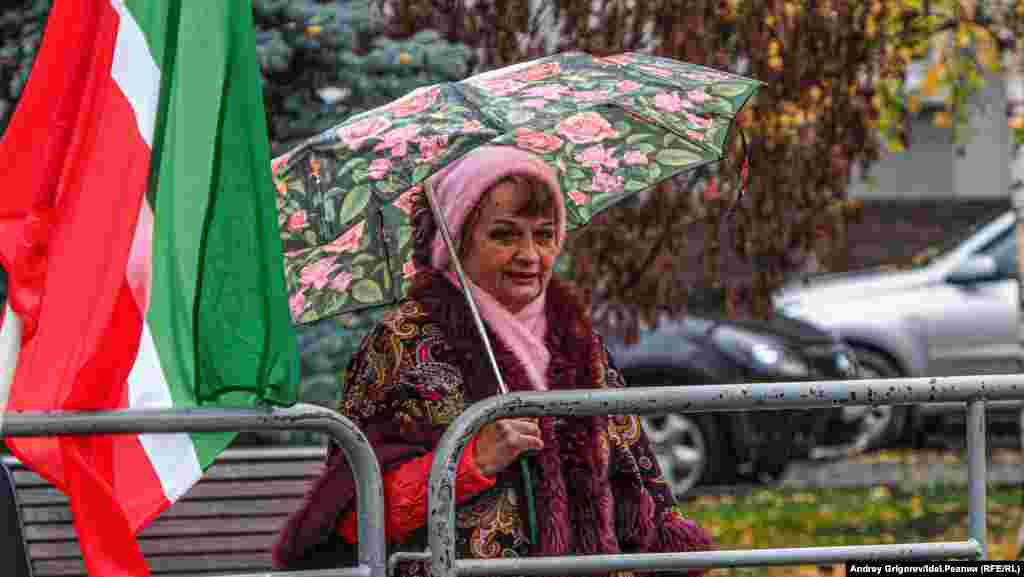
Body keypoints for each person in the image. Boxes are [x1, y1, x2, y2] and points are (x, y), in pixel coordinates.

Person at [273, 146, 715, 574]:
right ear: (457, 240)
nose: (529, 255)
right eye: (504, 235)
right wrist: (471, 461)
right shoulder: (402, 344)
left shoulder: (580, 342)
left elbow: (638, 484)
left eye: (544, 235)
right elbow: (356, 519)